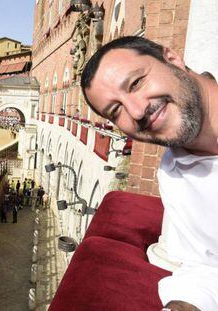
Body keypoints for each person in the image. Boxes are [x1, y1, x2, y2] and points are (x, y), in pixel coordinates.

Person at [81, 36, 218, 311]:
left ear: (172, 58)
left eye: (135, 83)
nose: (137, 110)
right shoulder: (172, 173)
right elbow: (205, 268)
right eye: (116, 110)